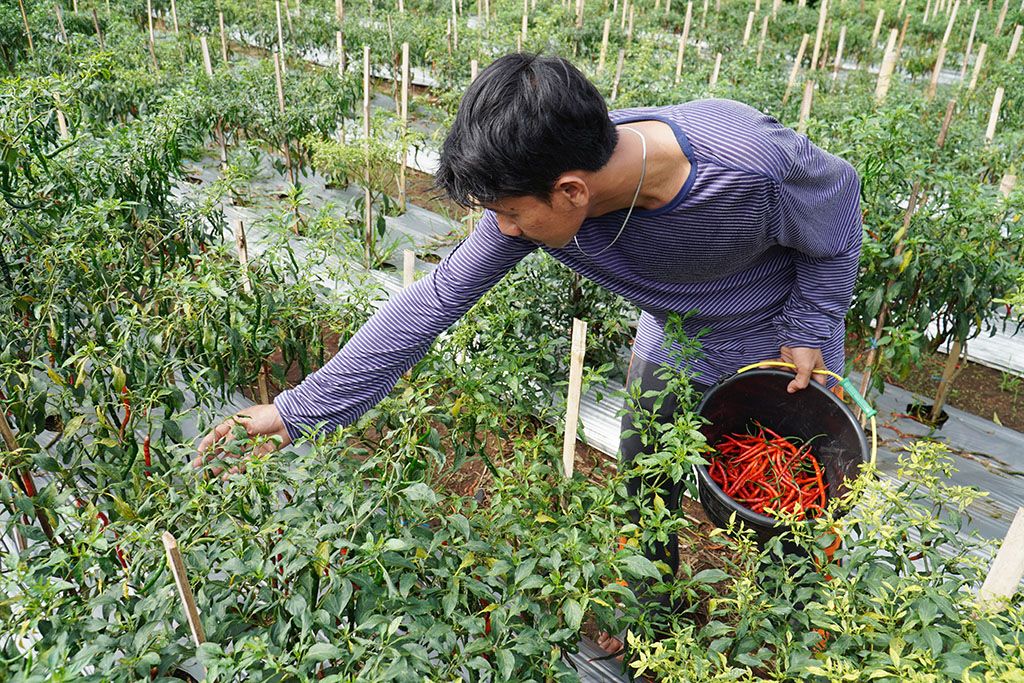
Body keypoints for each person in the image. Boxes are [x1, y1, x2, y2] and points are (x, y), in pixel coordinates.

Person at [196, 52, 861, 657]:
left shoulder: (746, 163)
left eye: (511, 214)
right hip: (679, 336)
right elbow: (434, 300)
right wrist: (296, 410)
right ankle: (647, 620)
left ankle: (786, 635)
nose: (504, 230)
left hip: (782, 345)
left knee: (790, 510)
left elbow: (839, 218)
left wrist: (809, 324)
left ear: (572, 191)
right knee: (644, 480)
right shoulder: (540, 189)